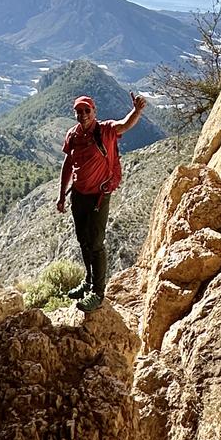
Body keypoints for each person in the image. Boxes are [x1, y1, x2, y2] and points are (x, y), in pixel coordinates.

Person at [56, 91, 147, 313]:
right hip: (78, 194)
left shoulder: (105, 130)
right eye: (79, 111)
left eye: (87, 110)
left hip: (99, 195)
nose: (83, 115)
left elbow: (124, 125)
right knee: (82, 240)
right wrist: (61, 195)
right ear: (75, 114)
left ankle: (98, 292)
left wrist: (136, 110)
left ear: (94, 112)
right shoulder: (73, 135)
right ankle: (87, 281)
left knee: (96, 243)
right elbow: (68, 165)